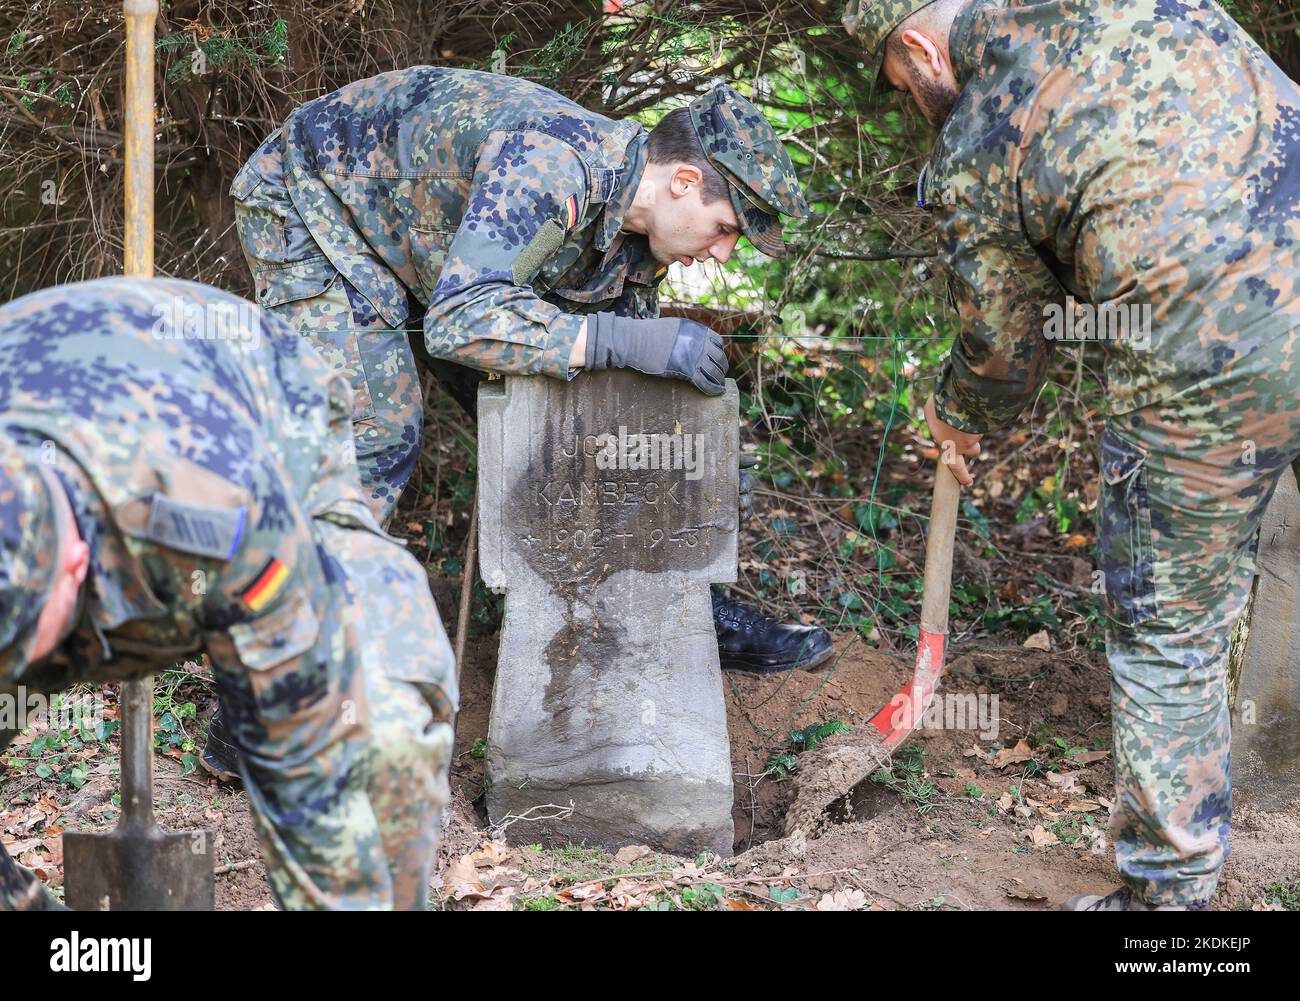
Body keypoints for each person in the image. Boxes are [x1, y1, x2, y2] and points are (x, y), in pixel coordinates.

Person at [844, 0, 1300, 910]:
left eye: (900, 84)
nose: (909, 103)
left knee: (1172, 624)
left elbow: (1005, 348)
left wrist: (958, 414)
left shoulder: (988, 118)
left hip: (1212, 351)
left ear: (915, 47)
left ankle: (1169, 914)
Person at [0, 278, 457, 910]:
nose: (15, 675)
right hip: (65, 378)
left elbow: (306, 756)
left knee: (378, 729)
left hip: (276, 429)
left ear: (74, 564)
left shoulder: (216, 510)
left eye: (19, 650)